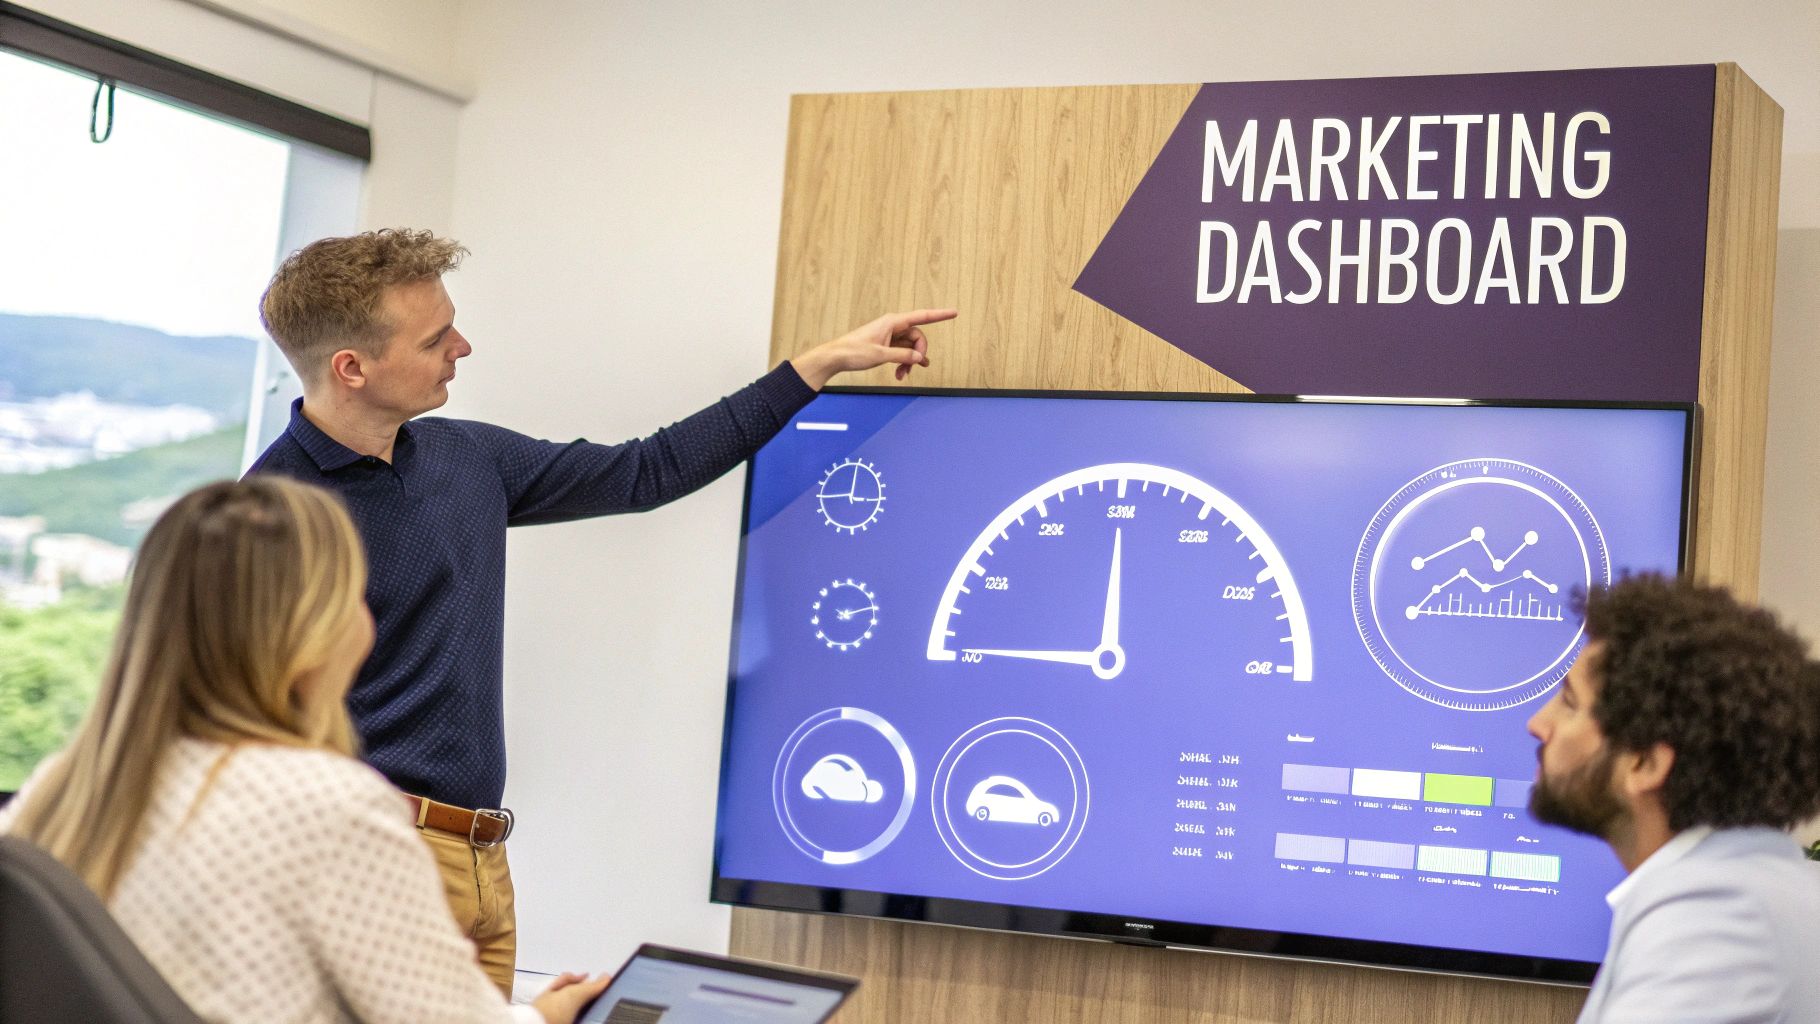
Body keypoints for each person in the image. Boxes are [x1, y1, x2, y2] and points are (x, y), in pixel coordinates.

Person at [246, 227, 955, 993]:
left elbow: (644, 472)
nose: (464, 346)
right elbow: (252, 730)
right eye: (436, 338)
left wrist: (815, 368)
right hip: (373, 861)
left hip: (482, 856)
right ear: (351, 368)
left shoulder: (464, 457)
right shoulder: (271, 515)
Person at [0, 477, 611, 1023]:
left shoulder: (59, 792)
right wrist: (552, 1015)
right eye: (354, 599)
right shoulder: (326, 804)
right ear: (308, 631)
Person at [1525, 574, 1820, 1022]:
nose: (1537, 723)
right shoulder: (1756, 884)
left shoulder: (1717, 920)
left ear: (1644, 764)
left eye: (1568, 702)